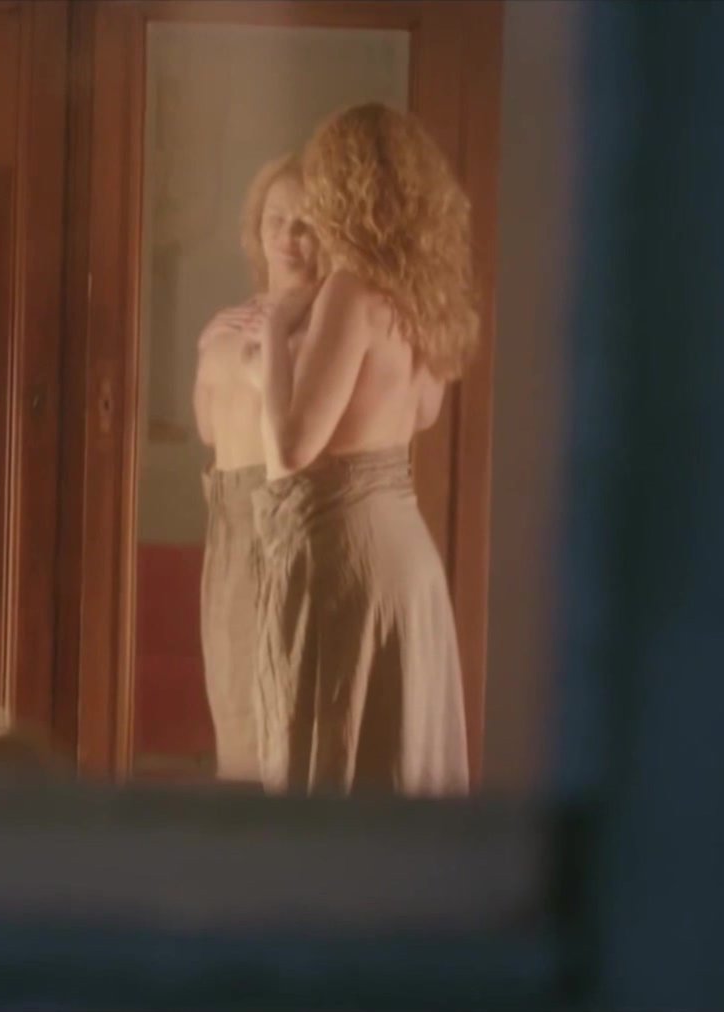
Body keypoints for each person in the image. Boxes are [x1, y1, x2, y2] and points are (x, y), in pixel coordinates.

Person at [247, 103, 478, 796]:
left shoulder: (351, 290)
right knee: (397, 762)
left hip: (348, 551)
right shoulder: (422, 297)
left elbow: (293, 447)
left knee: (337, 763)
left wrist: (273, 338)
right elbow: (424, 413)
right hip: (408, 555)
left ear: (343, 187)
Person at [191, 153, 322, 783]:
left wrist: (248, 366)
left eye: (306, 222)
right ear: (256, 230)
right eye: (276, 219)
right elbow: (208, 427)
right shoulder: (224, 324)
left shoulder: (331, 321)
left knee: (293, 724)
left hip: (294, 520)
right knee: (237, 708)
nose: (288, 236)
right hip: (231, 521)